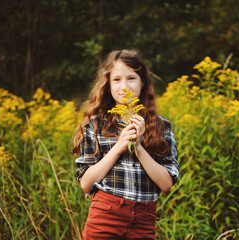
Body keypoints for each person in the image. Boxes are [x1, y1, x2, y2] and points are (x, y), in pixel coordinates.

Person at [72, 49, 179, 239]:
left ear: (142, 82)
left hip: (144, 220)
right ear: (108, 84)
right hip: (105, 216)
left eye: (131, 78)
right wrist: (120, 145)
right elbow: (86, 184)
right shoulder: (95, 124)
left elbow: (166, 184)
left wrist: (138, 147)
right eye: (117, 79)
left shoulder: (161, 127)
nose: (124, 86)